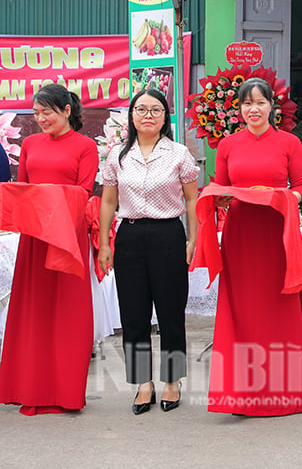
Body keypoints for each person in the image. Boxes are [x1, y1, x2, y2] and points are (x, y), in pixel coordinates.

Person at [207, 77, 302, 416]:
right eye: (247, 103)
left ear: (271, 107)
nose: (254, 109)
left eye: (260, 102)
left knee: (280, 305)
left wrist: (286, 196)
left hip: (276, 231)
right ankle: (241, 392)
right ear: (240, 109)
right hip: (241, 232)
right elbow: (221, 186)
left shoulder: (289, 142)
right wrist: (223, 199)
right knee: (242, 308)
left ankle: (286, 391)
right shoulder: (228, 145)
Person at [97, 89, 199, 414]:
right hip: (128, 236)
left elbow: (192, 200)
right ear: (132, 114)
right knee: (133, 314)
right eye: (141, 109)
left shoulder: (178, 154)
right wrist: (103, 242)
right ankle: (143, 383)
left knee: (170, 313)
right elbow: (109, 201)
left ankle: (171, 380)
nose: (148, 115)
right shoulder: (117, 156)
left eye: (155, 110)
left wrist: (192, 239)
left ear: (165, 116)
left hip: (168, 234)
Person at [0, 85, 97, 415]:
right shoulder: (29, 144)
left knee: (69, 315)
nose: (41, 119)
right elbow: (22, 190)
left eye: (47, 113)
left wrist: (48, 198)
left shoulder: (86, 147)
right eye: (37, 113)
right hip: (35, 239)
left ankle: (67, 392)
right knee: (34, 313)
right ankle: (31, 389)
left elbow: (83, 194)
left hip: (68, 238)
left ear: (66, 111)